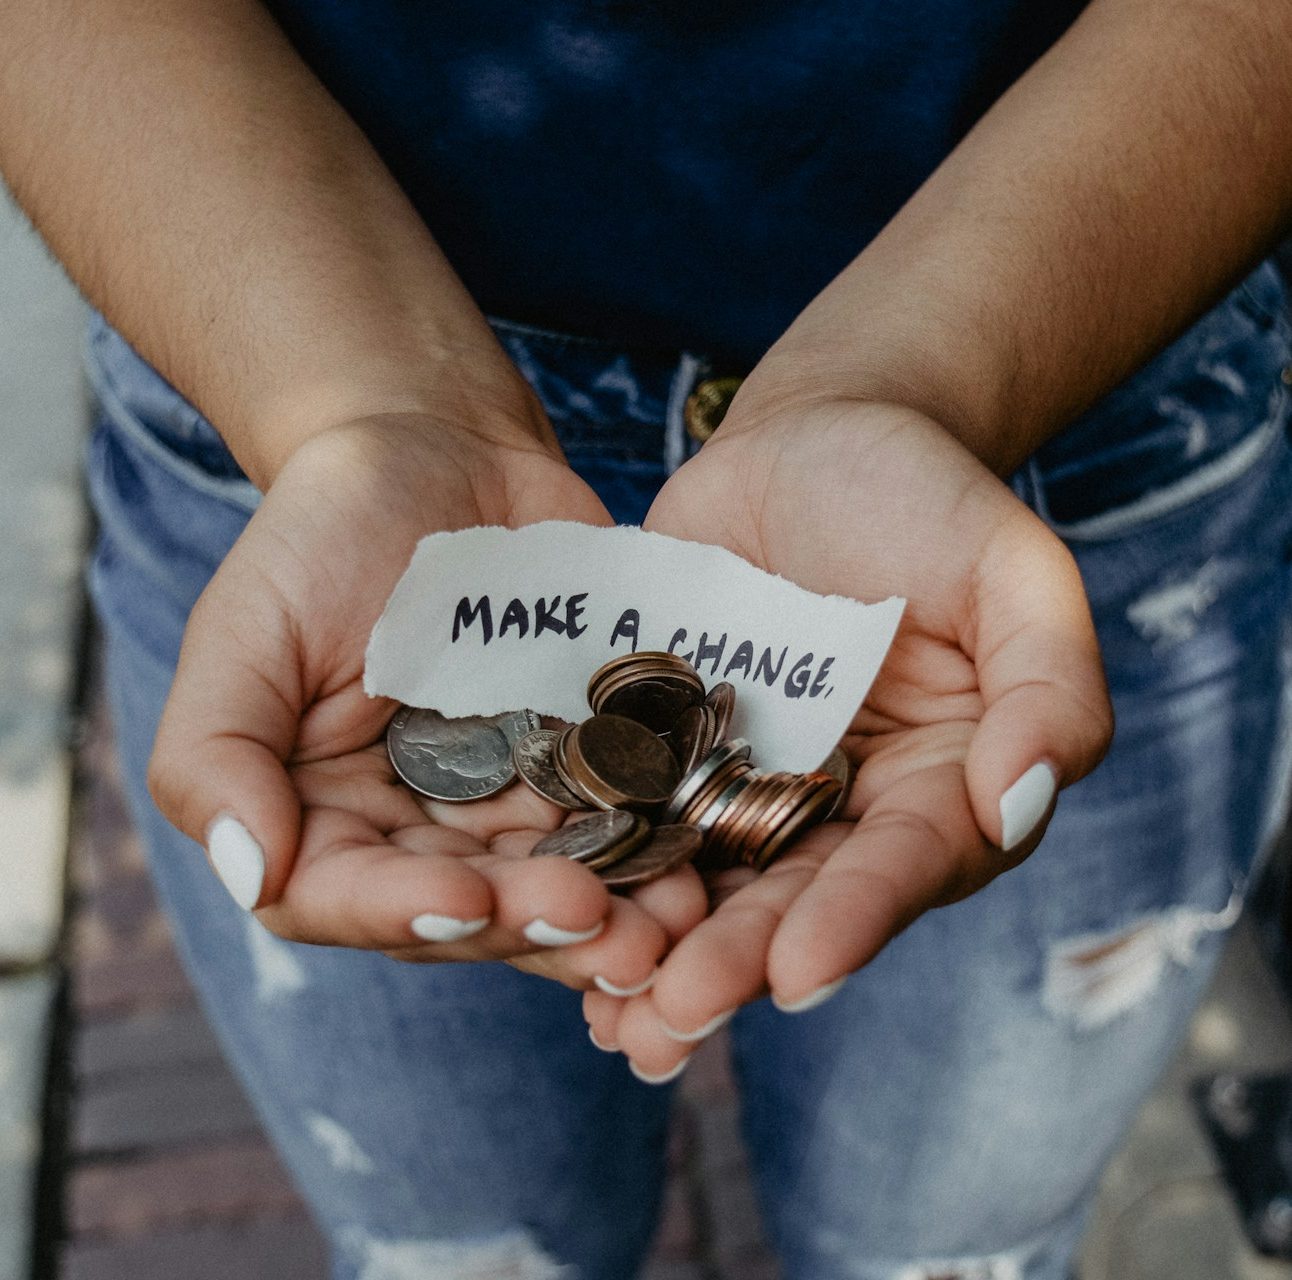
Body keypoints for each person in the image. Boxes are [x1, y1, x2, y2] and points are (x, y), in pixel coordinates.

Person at [4, 1, 1292, 1276]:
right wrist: (363, 412)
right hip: (289, 398)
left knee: (957, 1262)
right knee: (457, 1262)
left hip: (1076, 369)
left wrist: (910, 384)